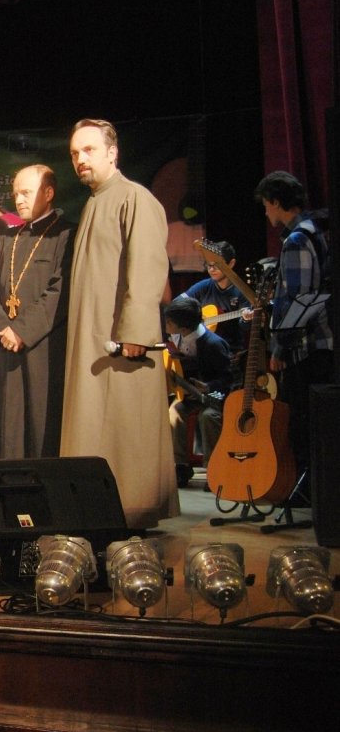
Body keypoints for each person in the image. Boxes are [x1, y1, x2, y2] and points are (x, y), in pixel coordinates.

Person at [61, 118, 177, 529]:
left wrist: (136, 333)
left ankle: (133, 510)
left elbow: (147, 270)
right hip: (92, 336)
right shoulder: (95, 201)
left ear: (113, 153)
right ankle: (97, 509)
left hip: (120, 340)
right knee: (94, 427)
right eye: (75, 153)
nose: (80, 159)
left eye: (89, 150)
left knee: (125, 429)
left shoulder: (135, 198)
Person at [0, 165, 75, 459]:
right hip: (6, 346)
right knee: (8, 429)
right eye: (16, 194)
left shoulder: (66, 235)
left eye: (26, 193)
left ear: (48, 193)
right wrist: (5, 330)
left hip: (44, 347)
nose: (19, 200)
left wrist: (21, 330)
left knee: (42, 424)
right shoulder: (8, 238)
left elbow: (61, 289)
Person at [254, 170, 333, 476]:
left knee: (300, 421)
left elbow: (300, 300)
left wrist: (279, 349)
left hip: (307, 347)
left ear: (276, 201)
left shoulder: (297, 239)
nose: (265, 212)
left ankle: (303, 491)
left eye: (266, 204)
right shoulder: (315, 231)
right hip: (319, 344)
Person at [163, 297, 232, 488]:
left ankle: (214, 469)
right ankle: (181, 466)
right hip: (188, 395)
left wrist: (208, 387)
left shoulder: (213, 344)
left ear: (183, 326)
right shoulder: (176, 338)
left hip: (214, 397)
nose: (165, 325)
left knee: (208, 417)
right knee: (174, 413)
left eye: (169, 322)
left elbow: (229, 379)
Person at [178, 240, 248, 360]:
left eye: (217, 265)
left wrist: (247, 319)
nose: (212, 269)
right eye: (209, 265)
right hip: (204, 352)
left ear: (231, 263)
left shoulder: (241, 292)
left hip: (231, 353)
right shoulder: (204, 286)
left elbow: (245, 327)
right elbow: (177, 303)